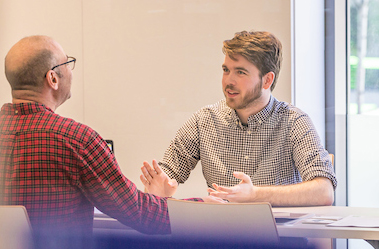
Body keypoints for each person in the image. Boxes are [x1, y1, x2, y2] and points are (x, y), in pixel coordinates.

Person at [0, 36, 221, 247]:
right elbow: (139, 213)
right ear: (52, 78)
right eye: (68, 64)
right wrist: (205, 206)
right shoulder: (77, 140)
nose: (71, 72)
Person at [140, 31, 337, 207]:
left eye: (240, 72)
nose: (228, 81)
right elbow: (167, 174)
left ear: (267, 80)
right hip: (221, 235)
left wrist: (255, 195)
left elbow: (324, 191)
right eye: (226, 70)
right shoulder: (205, 120)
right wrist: (160, 189)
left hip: (280, 238)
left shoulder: (294, 121)